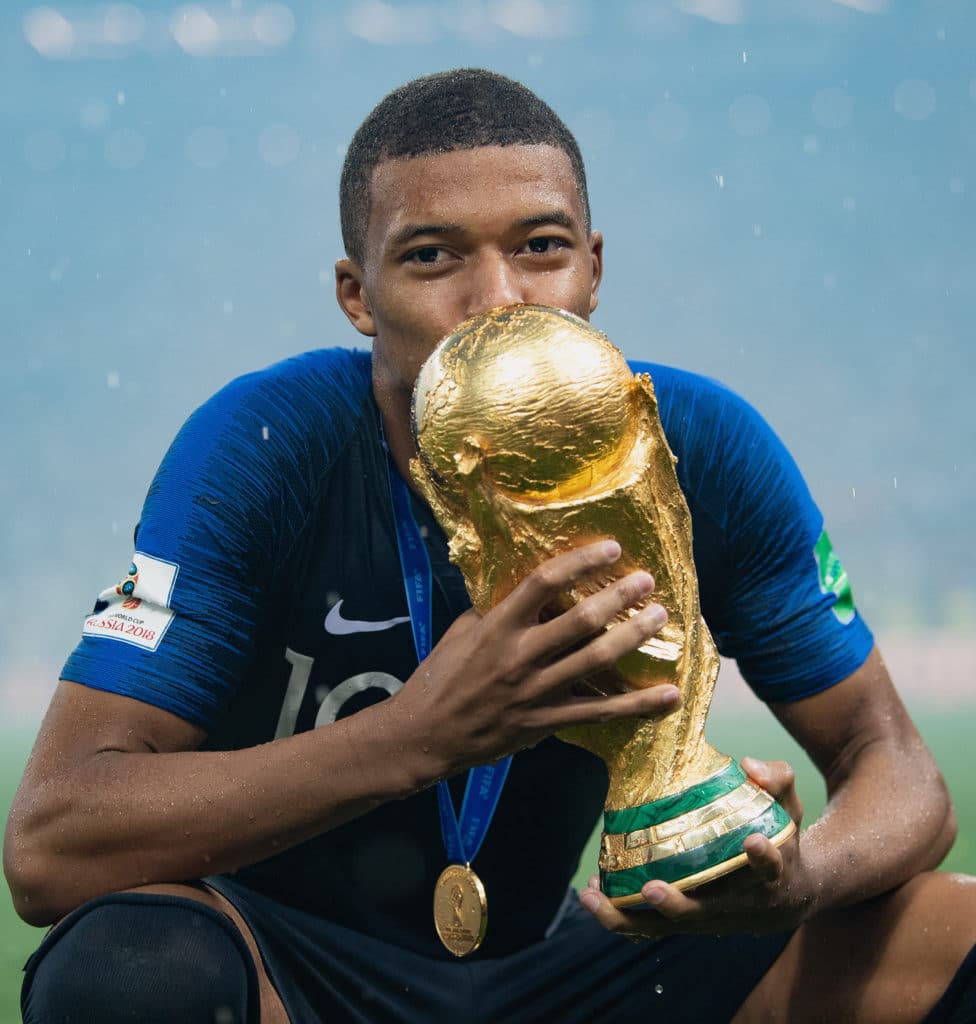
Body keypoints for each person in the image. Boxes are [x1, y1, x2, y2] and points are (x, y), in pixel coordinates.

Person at [5, 68, 975, 1024]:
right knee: (127, 966)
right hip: (291, 975)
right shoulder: (266, 446)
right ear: (357, 294)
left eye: (541, 247)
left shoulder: (699, 448)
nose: (498, 297)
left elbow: (899, 774)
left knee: (951, 930)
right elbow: (52, 841)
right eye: (431, 256)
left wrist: (803, 875)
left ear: (592, 268)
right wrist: (412, 739)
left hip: (581, 964)